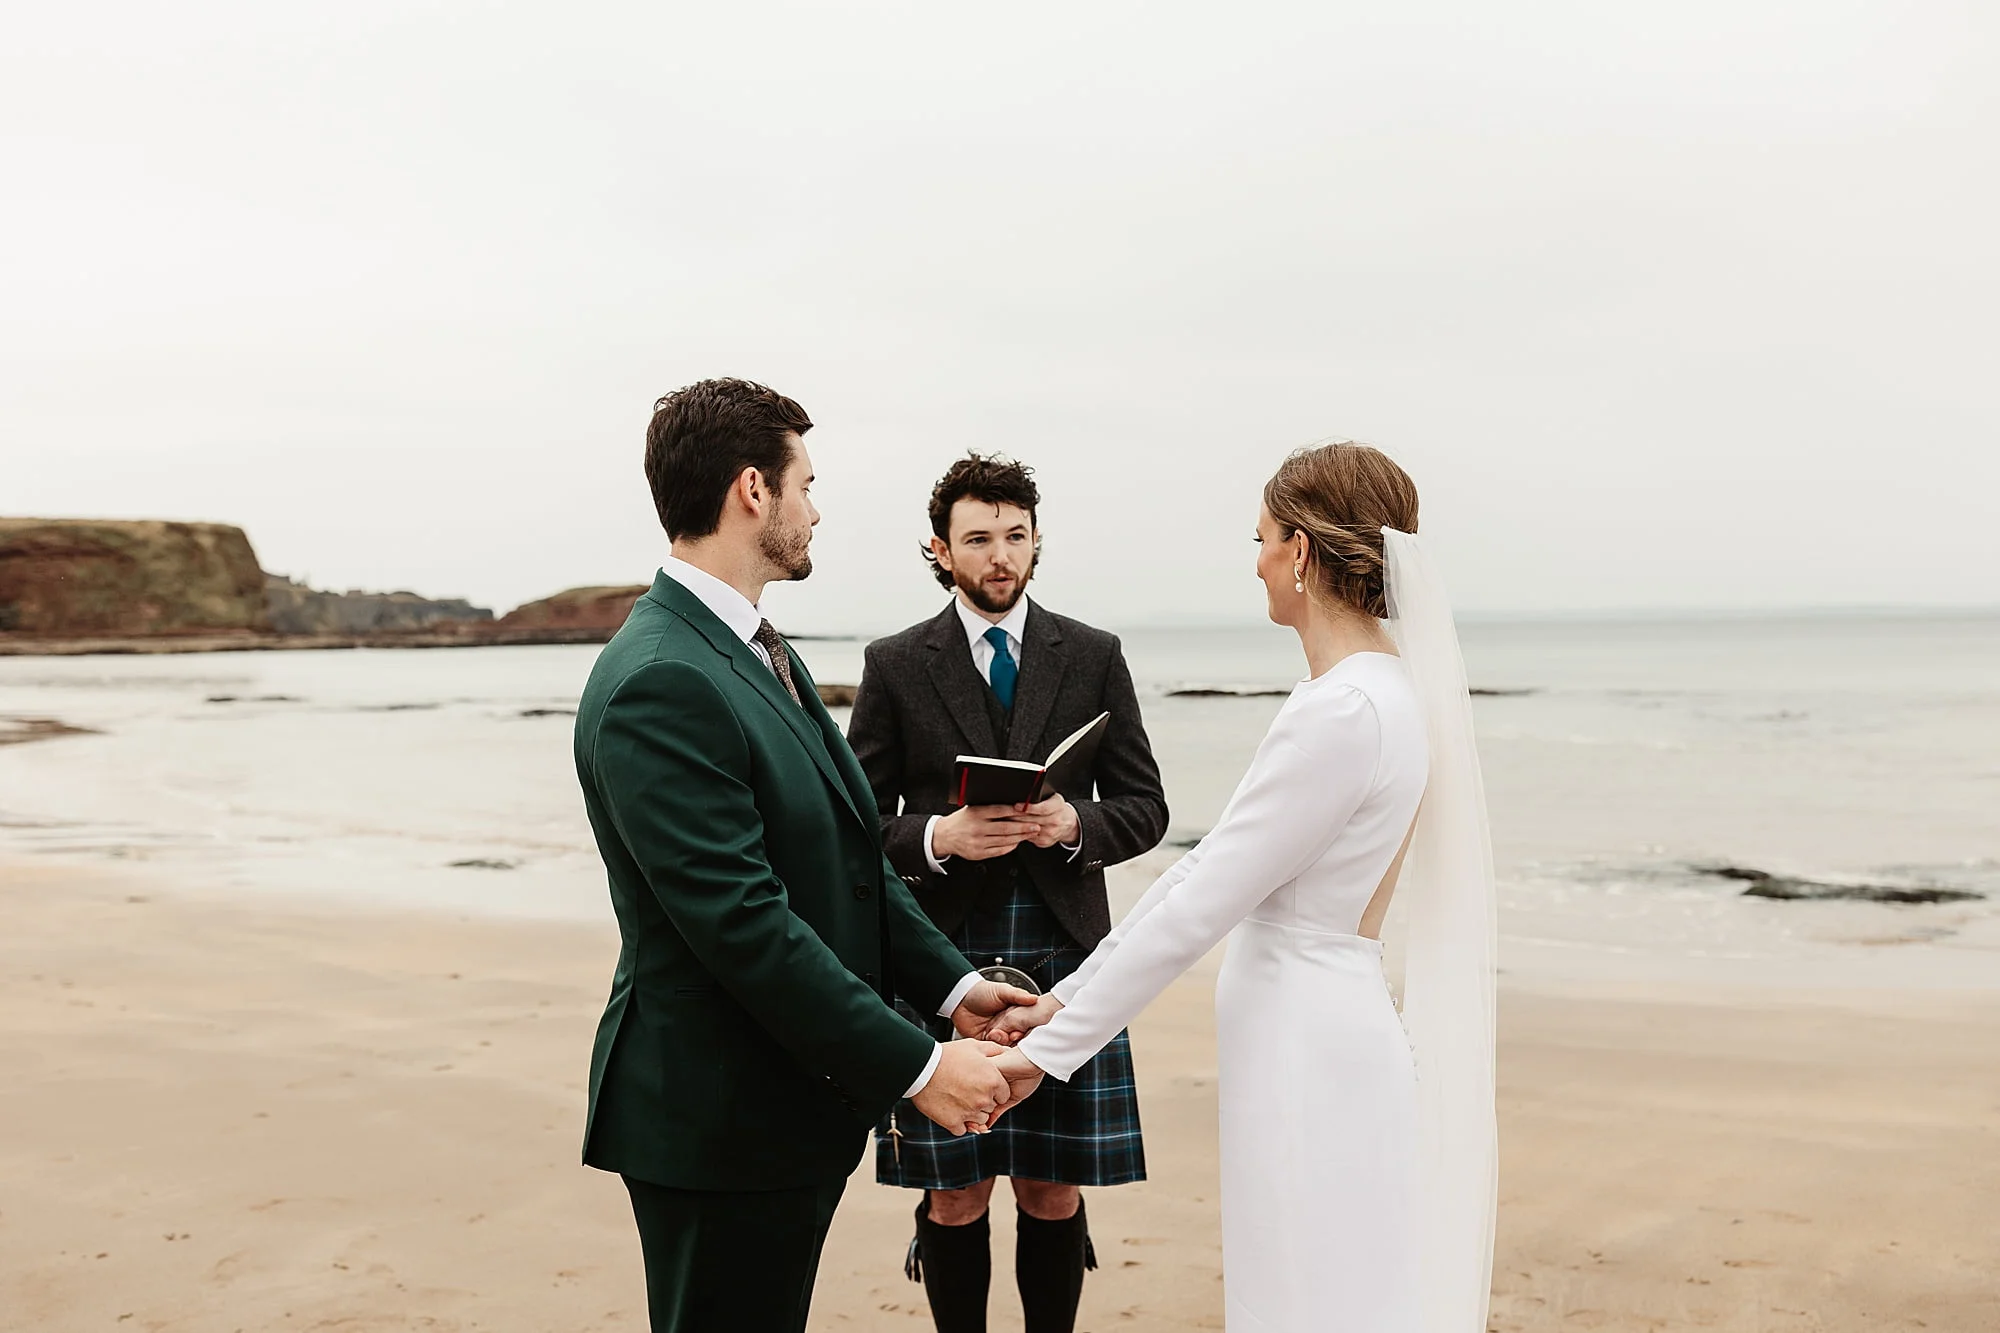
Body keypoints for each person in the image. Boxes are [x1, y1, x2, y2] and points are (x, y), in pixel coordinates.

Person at [989, 442, 1501, 1333]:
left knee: (1306, 1300)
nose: (1256, 559)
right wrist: (1064, 1001)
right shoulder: (1386, 691)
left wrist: (1049, 1044)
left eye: (1261, 537)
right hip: (1320, 1028)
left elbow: (1201, 892)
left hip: (1308, 1048)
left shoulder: (1342, 709)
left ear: (1300, 553)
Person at [571, 379, 1040, 1333]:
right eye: (806, 483)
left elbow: (851, 859)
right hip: (717, 1115)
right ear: (754, 490)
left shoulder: (745, 644)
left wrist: (954, 989)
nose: (815, 507)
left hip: (779, 1107)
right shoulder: (665, 676)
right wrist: (918, 1065)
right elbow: (742, 924)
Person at [846, 453, 1169, 1333]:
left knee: (1051, 1185)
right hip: (935, 956)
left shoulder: (1093, 655)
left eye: (1015, 536)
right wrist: (936, 838)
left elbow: (1147, 809)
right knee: (955, 1192)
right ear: (941, 550)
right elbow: (852, 829)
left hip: (1067, 952)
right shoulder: (895, 663)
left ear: (1035, 543)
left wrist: (1076, 826)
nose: (1000, 555)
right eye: (978, 538)